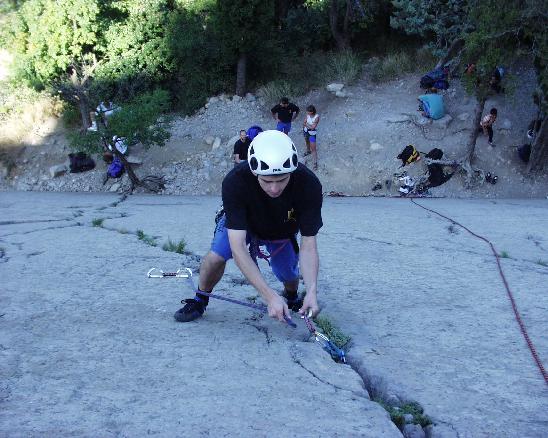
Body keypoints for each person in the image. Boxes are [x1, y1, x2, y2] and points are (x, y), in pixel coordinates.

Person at [174, 130, 322, 324]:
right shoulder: (235, 181)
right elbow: (238, 248)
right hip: (242, 223)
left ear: (292, 171)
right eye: (267, 181)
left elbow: (309, 245)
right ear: (254, 171)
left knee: (287, 272)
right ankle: (200, 299)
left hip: (281, 227)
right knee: (215, 258)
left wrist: (312, 290)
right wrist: (269, 297)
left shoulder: (308, 184)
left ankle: (292, 296)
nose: (275, 188)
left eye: (282, 180)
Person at [302, 105, 320, 170]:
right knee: (307, 142)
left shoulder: (316, 117)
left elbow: (313, 127)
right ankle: (308, 151)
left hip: (312, 134)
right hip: (306, 131)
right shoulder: (308, 115)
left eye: (308, 112)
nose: (307, 113)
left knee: (313, 148)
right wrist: (307, 125)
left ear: (311, 112)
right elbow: (304, 123)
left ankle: (315, 162)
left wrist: (306, 124)